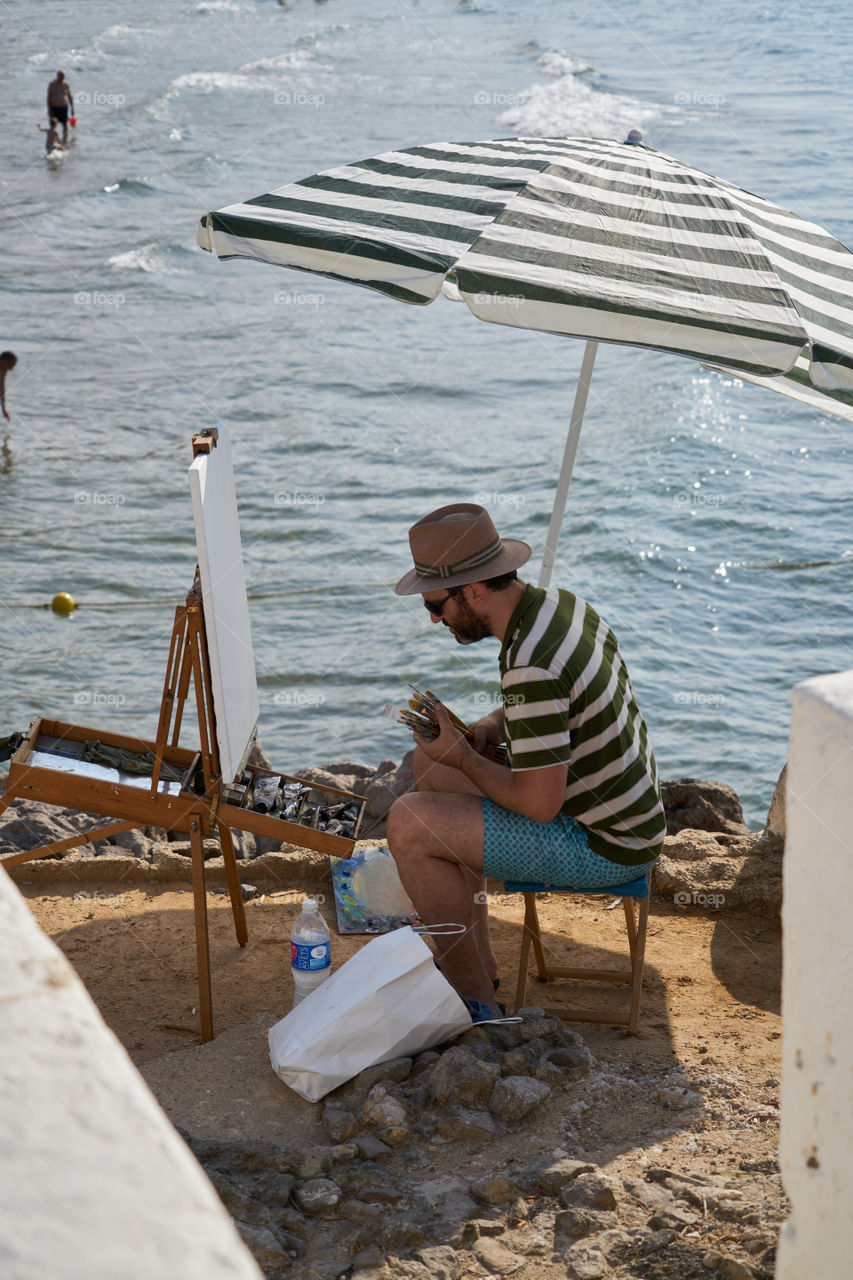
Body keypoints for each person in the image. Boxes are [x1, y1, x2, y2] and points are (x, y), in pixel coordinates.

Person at [386, 503, 667, 1023]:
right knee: (429, 772)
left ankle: (474, 1002)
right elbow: (558, 702)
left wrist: (465, 757)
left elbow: (539, 805)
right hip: (631, 815)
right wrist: (489, 729)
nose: (432, 620)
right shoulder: (558, 608)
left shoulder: (529, 663)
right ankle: (482, 961)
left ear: (473, 591)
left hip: (605, 845)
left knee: (409, 822)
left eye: (434, 605)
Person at [46, 70, 74, 142]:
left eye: (63, 77)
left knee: (65, 125)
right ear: (57, 76)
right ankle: (53, 141)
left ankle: (65, 141)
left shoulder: (66, 84)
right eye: (61, 76)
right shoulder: (52, 84)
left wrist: (72, 108)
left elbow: (70, 96)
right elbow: (49, 97)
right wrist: (49, 109)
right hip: (54, 107)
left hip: (63, 107)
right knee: (53, 126)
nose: (62, 78)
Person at [0, 352, 17, 422]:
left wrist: (4, 409)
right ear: (2, 360)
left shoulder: (3, 372)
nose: (11, 369)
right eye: (10, 365)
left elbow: (1, 388)